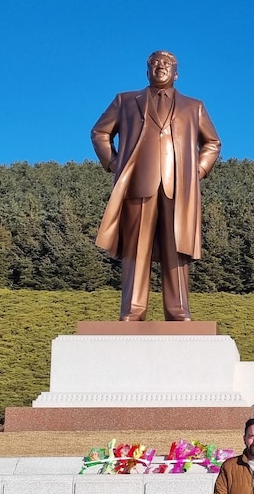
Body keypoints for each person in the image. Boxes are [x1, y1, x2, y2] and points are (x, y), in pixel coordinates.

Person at [90, 51, 221, 321]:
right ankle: (133, 309)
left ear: (176, 73)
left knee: (177, 247)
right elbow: (100, 132)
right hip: (139, 184)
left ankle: (178, 310)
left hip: (179, 188)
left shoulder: (194, 106)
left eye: (167, 64)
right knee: (136, 248)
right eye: (155, 63)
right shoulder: (125, 101)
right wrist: (114, 163)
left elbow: (212, 143)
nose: (160, 67)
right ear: (146, 70)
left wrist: (198, 170)